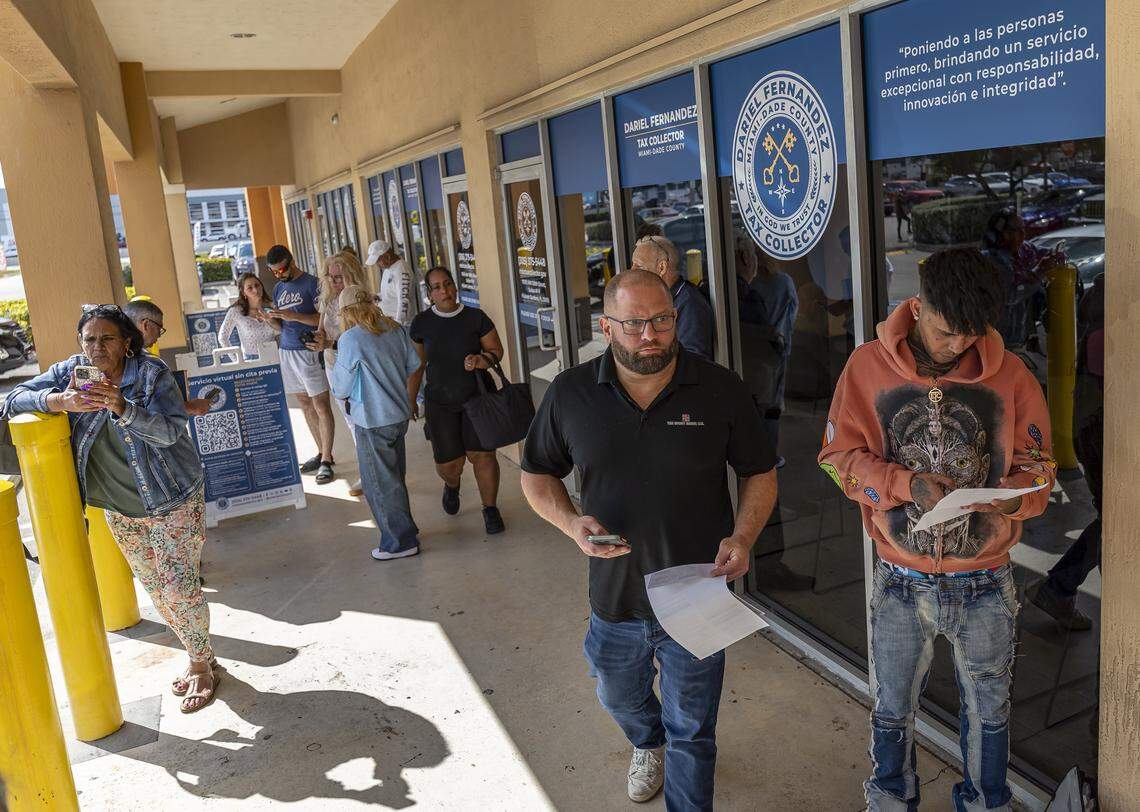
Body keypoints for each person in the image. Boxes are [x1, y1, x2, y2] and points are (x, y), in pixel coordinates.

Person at [520, 269, 778, 809]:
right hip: (614, 597)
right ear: (607, 326)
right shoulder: (572, 393)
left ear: (676, 318)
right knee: (618, 695)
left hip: (697, 593)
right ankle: (646, 741)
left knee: (694, 730)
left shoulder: (718, 387)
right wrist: (571, 524)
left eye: (661, 320)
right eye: (634, 323)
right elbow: (537, 474)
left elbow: (759, 470)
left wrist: (744, 534)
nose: (650, 335)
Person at [818, 247, 1057, 811]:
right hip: (899, 579)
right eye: (947, 332)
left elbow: (1041, 474)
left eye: (970, 337)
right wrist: (904, 485)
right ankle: (890, 802)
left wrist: (1010, 504)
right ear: (918, 306)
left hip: (985, 582)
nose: (956, 346)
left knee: (990, 711)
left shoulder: (1013, 376)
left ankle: (985, 803)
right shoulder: (866, 367)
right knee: (892, 706)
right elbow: (835, 458)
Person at [3, 305, 218, 712]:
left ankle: (201, 663)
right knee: (156, 589)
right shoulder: (72, 371)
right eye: (89, 339)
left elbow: (172, 430)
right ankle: (199, 651)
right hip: (121, 510)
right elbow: (11, 399)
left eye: (107, 339)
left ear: (126, 343)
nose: (96, 347)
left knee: (179, 589)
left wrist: (123, 407)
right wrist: (58, 401)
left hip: (172, 498)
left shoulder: (150, 375)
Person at [1029, 272, 1104, 630]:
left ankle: (1058, 588)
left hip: (1093, 432)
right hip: (1102, 435)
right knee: (1118, 523)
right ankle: (1059, 588)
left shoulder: (1102, 312)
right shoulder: (1111, 329)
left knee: (1115, 522)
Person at [408, 266, 506, 535]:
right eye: (437, 287)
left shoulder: (475, 318)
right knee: (450, 465)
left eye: (448, 284)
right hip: (440, 402)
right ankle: (452, 486)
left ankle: (490, 509)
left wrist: (481, 360)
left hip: (477, 398)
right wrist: (410, 399)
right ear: (430, 294)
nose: (444, 291)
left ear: (455, 286)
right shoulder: (421, 324)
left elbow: (496, 350)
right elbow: (416, 365)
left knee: (483, 455)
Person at [331, 285, 422, 560]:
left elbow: (341, 387)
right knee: (394, 478)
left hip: (372, 419)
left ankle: (399, 542)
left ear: (345, 311)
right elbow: (413, 364)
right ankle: (406, 532)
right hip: (397, 414)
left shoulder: (351, 339)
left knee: (379, 485)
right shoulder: (394, 328)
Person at [266, 244, 337, 485]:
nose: (279, 275)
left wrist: (294, 316)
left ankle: (327, 460)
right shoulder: (278, 288)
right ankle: (321, 452)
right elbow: (282, 326)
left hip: (308, 351)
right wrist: (270, 319)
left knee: (320, 404)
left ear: (291, 261)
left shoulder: (312, 283)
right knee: (305, 403)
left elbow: (324, 317)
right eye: (274, 271)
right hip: (286, 350)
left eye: (282, 269)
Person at [309, 251, 371, 497]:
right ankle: (368, 472)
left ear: (351, 276)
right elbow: (321, 330)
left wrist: (329, 343)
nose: (334, 282)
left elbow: (363, 339)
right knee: (351, 420)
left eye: (339, 278)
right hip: (335, 366)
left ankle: (371, 473)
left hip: (358, 367)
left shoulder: (360, 300)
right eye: (331, 277)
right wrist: (317, 340)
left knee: (364, 419)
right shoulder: (328, 300)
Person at [122, 299, 212, 417]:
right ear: (145, 325)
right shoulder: (150, 365)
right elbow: (156, 411)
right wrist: (192, 407)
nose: (159, 335)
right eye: (159, 328)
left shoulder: (118, 356)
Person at [630, 234, 714, 360]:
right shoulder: (665, 300)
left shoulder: (689, 304)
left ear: (662, 267)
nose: (632, 270)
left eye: (639, 266)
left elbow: (695, 361)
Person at [217, 272, 280, 358]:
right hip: (251, 360)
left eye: (257, 285)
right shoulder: (235, 311)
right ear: (243, 293)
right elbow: (222, 337)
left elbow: (283, 330)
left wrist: (269, 319)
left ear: (262, 286)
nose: (255, 290)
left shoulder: (271, 306)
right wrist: (236, 360)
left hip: (274, 356)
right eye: (250, 288)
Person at [366, 240, 418, 327]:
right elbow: (391, 293)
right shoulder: (388, 269)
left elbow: (404, 301)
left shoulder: (402, 270)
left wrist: (398, 325)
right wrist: (379, 296)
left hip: (400, 326)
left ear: (387, 256)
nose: (377, 264)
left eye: (378, 260)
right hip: (389, 323)